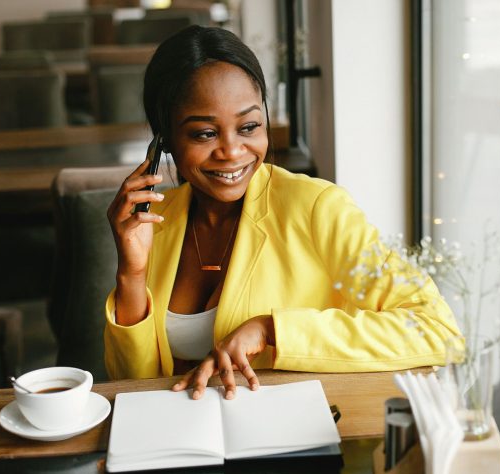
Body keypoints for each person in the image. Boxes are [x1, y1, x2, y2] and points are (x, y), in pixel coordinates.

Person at [104, 25, 462, 400]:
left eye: (248, 127)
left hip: (295, 439)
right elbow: (131, 385)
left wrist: (272, 330)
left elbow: (435, 329)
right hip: (177, 443)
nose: (232, 151)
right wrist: (132, 272)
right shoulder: (154, 224)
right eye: (205, 134)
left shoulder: (317, 208)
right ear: (165, 140)